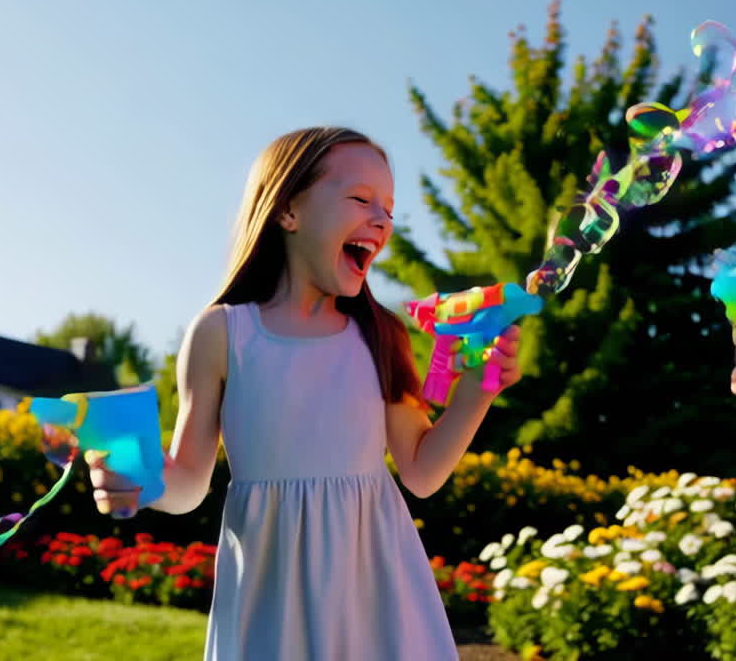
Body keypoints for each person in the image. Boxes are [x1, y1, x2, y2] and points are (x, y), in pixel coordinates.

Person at [88, 126, 524, 660]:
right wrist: (140, 477)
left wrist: (478, 390)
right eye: (362, 199)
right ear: (288, 211)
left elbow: (422, 471)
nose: (383, 220)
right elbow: (189, 486)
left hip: (379, 597)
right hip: (271, 604)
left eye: (389, 208)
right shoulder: (222, 335)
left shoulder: (381, 335)